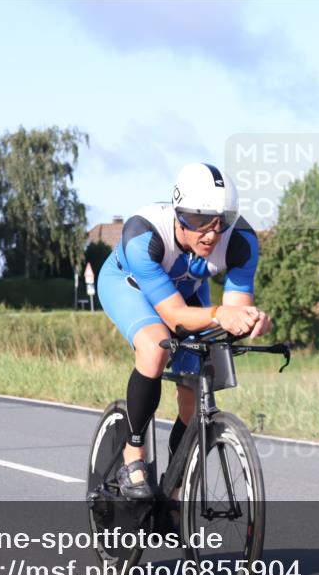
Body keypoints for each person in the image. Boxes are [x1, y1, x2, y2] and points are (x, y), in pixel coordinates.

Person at [97, 163, 271, 499]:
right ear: (179, 215)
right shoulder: (143, 234)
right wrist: (222, 314)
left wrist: (254, 321)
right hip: (128, 286)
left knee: (196, 394)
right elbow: (175, 318)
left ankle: (175, 490)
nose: (211, 233)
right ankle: (133, 457)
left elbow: (235, 313)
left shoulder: (241, 242)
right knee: (155, 346)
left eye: (222, 222)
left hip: (188, 293)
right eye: (200, 221)